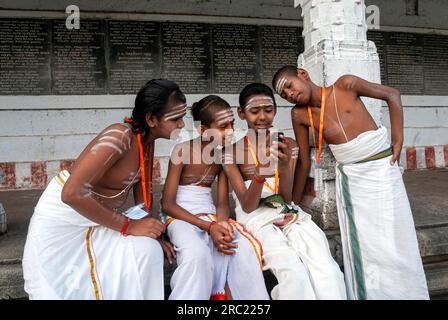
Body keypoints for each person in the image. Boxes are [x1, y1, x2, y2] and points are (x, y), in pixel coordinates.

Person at [272, 65, 429, 300]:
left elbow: (392, 94)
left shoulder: (345, 85)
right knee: (366, 247)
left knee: (397, 238)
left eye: (289, 87)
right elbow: (304, 162)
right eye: (284, 96)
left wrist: (398, 140)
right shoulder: (300, 115)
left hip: (382, 170)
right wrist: (293, 204)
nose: (290, 95)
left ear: (303, 74)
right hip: (353, 181)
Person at [22, 79, 185, 300]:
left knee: (147, 250)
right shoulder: (119, 136)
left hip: (99, 221)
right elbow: (71, 194)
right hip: (65, 223)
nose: (182, 125)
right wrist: (129, 226)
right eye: (176, 118)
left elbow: (142, 197)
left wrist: (153, 231)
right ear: (151, 119)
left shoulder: (146, 142)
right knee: (57, 290)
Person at [223, 83, 346, 300]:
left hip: (287, 211)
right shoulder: (231, 153)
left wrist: (283, 168)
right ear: (242, 113)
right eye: (254, 111)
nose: (262, 117)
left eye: (268, 110)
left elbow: (287, 197)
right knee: (293, 274)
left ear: (275, 110)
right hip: (255, 218)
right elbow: (248, 206)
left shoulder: (287, 145)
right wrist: (260, 174)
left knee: (328, 271)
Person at [162, 95, 269, 300]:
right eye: (222, 126)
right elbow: (167, 204)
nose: (230, 131)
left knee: (241, 247)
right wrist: (209, 227)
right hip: (180, 218)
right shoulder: (182, 151)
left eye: (232, 124)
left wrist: (221, 224)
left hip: (210, 216)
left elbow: (221, 202)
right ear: (203, 130)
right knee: (197, 254)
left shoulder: (223, 157)